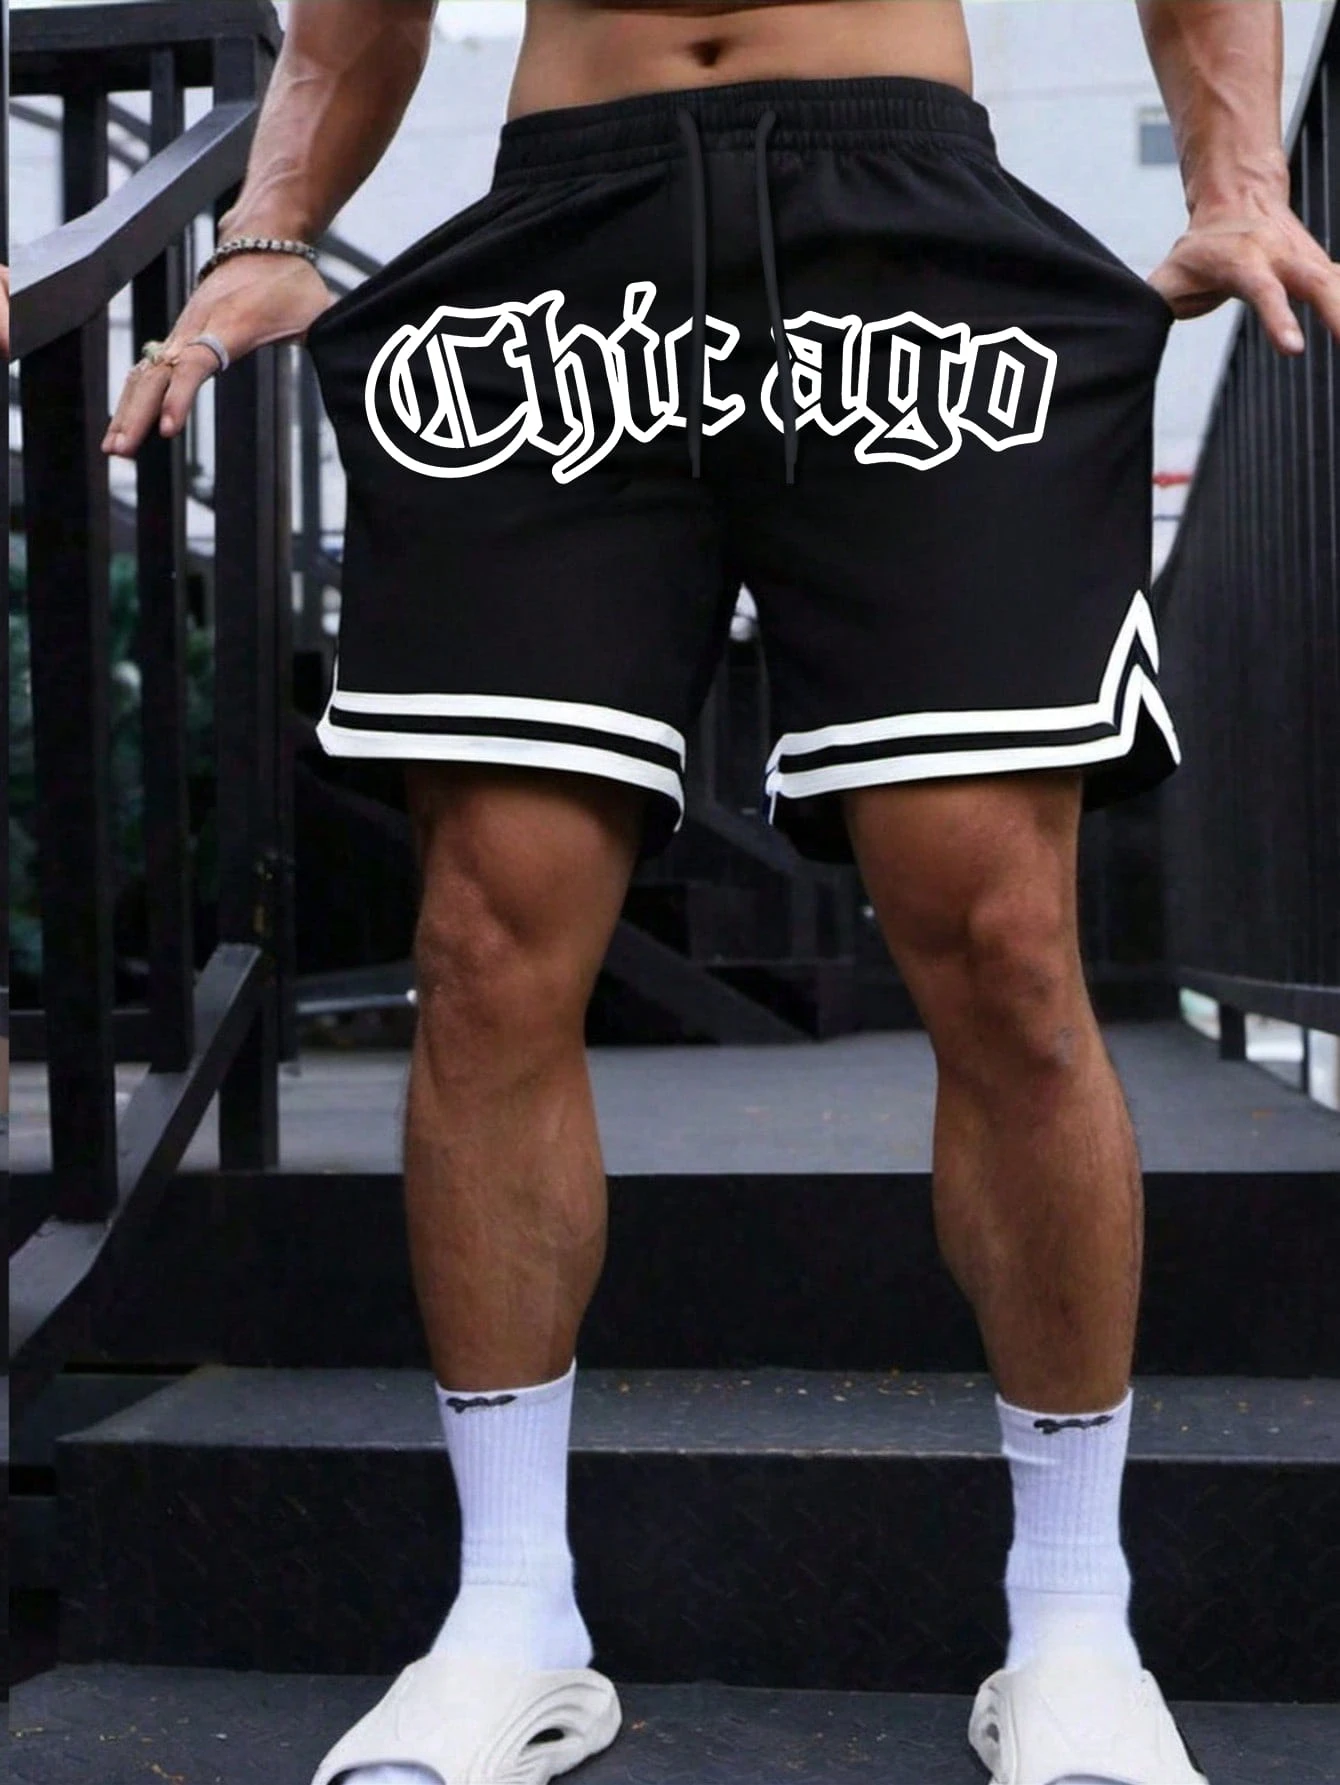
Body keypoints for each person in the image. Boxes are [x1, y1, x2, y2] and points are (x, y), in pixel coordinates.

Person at [102, 4, 1340, 1783]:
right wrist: (267, 228)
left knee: (1001, 936)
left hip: (898, 218)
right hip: (568, 239)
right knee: (486, 937)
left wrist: (1236, 179)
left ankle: (1076, 1622)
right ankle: (512, 1614)